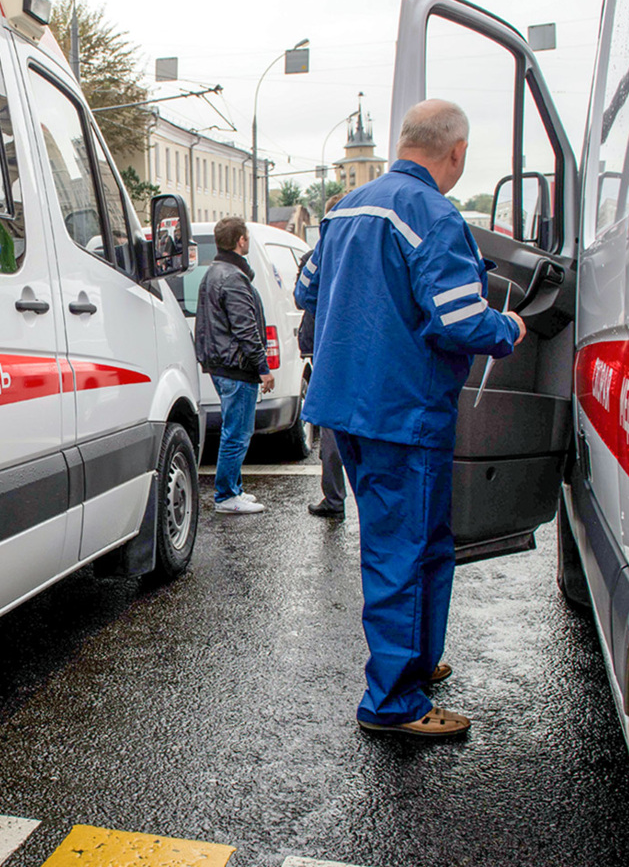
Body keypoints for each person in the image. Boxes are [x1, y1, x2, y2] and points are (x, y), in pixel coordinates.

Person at [294, 99, 527, 738]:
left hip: (347, 407)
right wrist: (510, 326)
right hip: (405, 411)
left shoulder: (347, 207)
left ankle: (417, 660)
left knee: (406, 546)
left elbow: (304, 289)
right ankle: (394, 701)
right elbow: (459, 320)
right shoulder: (436, 215)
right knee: (409, 550)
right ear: (455, 153)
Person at [195, 216, 275, 514]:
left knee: (235, 428)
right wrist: (263, 368)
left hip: (222, 364)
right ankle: (227, 496)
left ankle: (234, 489)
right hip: (237, 367)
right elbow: (246, 330)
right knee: (238, 432)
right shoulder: (232, 277)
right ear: (240, 240)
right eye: (247, 237)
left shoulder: (215, 272)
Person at [298, 194, 346, 520]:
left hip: (328, 348)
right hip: (368, 351)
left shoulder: (323, 248)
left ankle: (334, 498)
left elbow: (302, 293)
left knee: (330, 426)